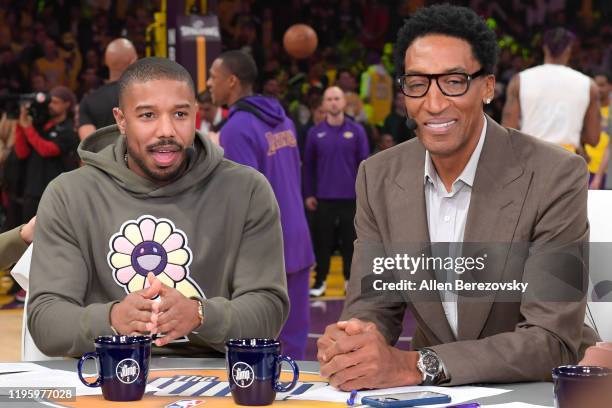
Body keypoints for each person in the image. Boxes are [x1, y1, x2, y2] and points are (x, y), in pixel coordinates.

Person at [317, 4, 597, 389]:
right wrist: (354, 341)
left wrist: (417, 366)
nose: (433, 104)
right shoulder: (378, 176)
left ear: (487, 87)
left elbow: (551, 339)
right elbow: (374, 302)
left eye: (454, 81)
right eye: (417, 84)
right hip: (434, 395)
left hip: (537, 390)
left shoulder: (556, 175)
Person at [27, 57, 289, 357]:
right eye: (148, 115)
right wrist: (112, 320)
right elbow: (46, 322)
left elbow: (268, 312)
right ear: (121, 120)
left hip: (217, 380)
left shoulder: (247, 190)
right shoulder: (69, 194)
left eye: (180, 114)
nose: (166, 131)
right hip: (104, 379)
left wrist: (200, 315)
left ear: (196, 116)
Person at [207, 50, 314, 359]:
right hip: (297, 233)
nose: (208, 84)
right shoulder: (283, 119)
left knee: (258, 343)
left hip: (267, 243)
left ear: (231, 81)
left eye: (213, 77)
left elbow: (243, 199)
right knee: (293, 339)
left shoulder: (236, 129)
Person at [304, 86, 370, 297]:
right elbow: (308, 167)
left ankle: (350, 281)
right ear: (323, 104)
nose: (333, 102)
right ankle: (320, 281)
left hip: (351, 198)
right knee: (323, 242)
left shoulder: (357, 131)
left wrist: (364, 195)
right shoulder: (315, 133)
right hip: (323, 197)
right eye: (329, 99)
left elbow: (365, 165)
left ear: (344, 103)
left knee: (351, 242)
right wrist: (308, 194)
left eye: (337, 98)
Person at [502, 27, 600, 152]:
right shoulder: (589, 85)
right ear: (569, 49)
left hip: (531, 156)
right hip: (567, 159)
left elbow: (508, 131)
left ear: (544, 48)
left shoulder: (520, 80)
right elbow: (593, 138)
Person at [15, 85, 79, 222]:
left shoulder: (69, 130)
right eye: (50, 101)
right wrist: (20, 127)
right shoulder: (39, 125)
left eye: (55, 102)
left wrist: (27, 129)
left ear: (67, 104)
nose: (50, 105)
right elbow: (21, 153)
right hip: (32, 191)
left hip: (53, 193)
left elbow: (47, 150)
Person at [78, 38, 138, 140]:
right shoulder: (148, 96)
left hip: (104, 155)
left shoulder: (89, 101)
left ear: (106, 62)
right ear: (133, 61)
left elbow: (88, 144)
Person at [586, 71, 611, 189]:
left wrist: (599, 176)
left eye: (602, 85)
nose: (598, 89)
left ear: (610, 86)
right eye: (596, 85)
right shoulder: (587, 107)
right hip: (585, 167)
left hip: (606, 171)